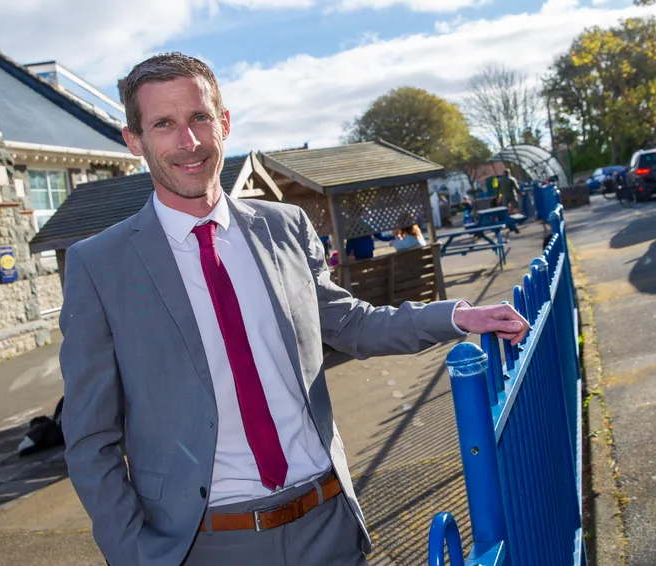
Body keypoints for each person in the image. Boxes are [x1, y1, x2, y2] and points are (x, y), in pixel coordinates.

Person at [58, 52, 530, 566]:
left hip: (326, 526)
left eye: (199, 118)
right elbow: (90, 438)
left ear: (224, 123)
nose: (188, 142)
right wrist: (134, 555)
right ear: (135, 140)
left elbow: (350, 324)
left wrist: (457, 316)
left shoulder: (284, 226)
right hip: (205, 546)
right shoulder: (99, 266)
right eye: (164, 124)